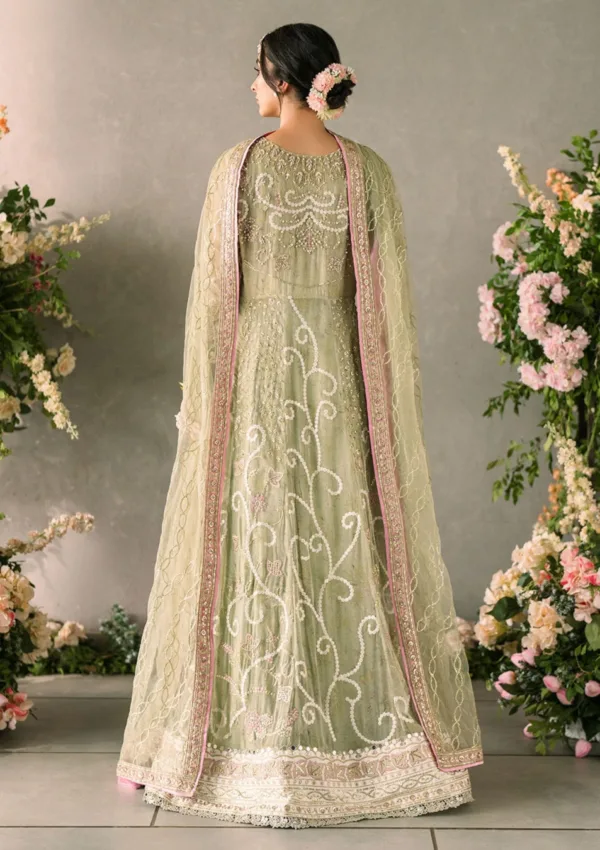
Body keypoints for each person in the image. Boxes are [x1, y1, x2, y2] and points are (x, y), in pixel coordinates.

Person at [116, 22, 483, 828]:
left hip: (254, 372)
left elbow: (213, 298)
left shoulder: (237, 167)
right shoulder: (366, 170)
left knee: (258, 537)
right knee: (340, 529)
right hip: (338, 374)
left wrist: (203, 398)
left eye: (257, 73)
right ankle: (363, 741)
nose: (250, 86)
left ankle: (245, 740)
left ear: (283, 78)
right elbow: (386, 295)